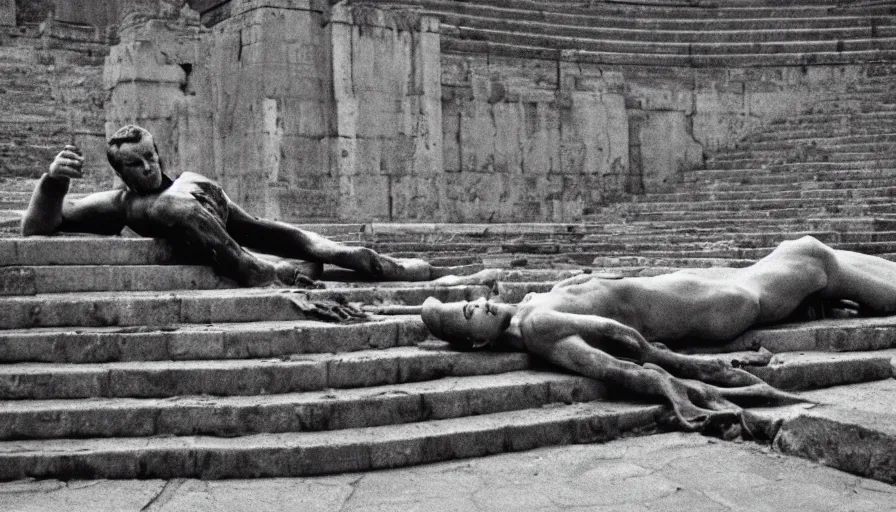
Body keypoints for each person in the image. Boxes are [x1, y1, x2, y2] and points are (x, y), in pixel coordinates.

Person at [422, 236, 896, 432]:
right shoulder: (540, 329)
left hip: (695, 289)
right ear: (480, 341)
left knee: (809, 259)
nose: (480, 303)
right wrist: (685, 377)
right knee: (811, 257)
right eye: (471, 314)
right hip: (712, 305)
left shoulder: (529, 309)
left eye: (472, 301)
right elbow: (620, 351)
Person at [20, 125, 487, 289]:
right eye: (134, 165)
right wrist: (51, 182)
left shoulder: (191, 180)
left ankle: (443, 276)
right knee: (314, 267)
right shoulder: (124, 206)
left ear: (158, 151)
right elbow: (37, 229)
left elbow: (253, 227)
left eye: (150, 156)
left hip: (255, 235)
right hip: (246, 258)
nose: (146, 167)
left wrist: (294, 251)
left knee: (354, 256)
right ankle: (449, 280)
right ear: (120, 174)